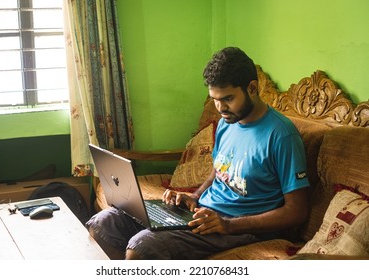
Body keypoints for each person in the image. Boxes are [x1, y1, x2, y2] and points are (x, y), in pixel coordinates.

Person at [85, 47, 310, 260]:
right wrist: (195, 196)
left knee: (142, 248)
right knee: (103, 223)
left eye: (228, 99)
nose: (220, 108)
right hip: (203, 214)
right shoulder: (227, 123)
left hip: (238, 227)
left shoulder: (281, 135)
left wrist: (229, 224)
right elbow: (219, 171)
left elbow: (296, 211)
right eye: (215, 99)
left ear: (252, 88)